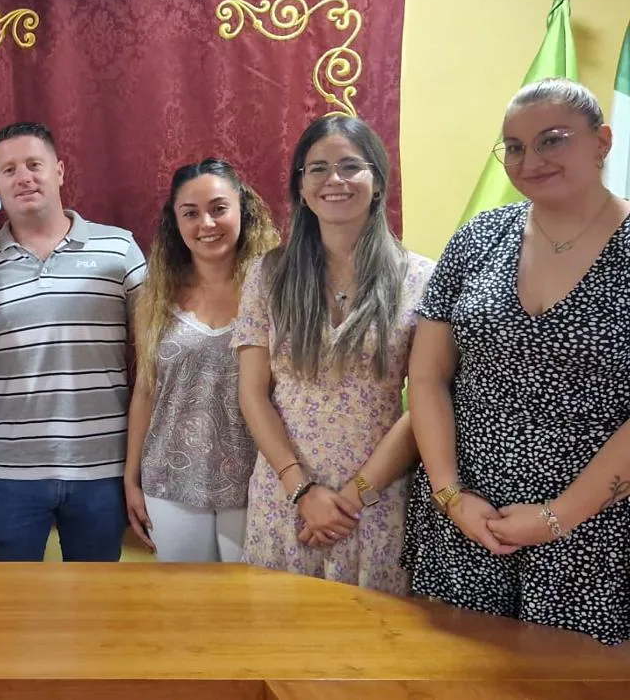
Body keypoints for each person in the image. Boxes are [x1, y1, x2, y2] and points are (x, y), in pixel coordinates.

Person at [402, 78, 630, 645]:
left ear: (602, 141)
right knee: (455, 675)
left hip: (593, 530)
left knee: (567, 681)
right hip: (467, 517)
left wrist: (558, 515)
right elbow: (427, 376)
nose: (530, 160)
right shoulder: (477, 238)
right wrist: (452, 495)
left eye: (552, 140)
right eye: (515, 146)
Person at [233, 115, 433, 594]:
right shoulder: (269, 275)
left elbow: (424, 403)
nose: (334, 180)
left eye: (350, 166)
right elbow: (252, 394)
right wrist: (303, 490)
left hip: (375, 501)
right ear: (301, 188)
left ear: (378, 181)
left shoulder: (421, 279)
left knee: (372, 653)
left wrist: (349, 499)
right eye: (317, 168)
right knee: (277, 646)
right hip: (285, 496)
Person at [0, 122, 147, 562]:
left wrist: (139, 469)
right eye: (9, 170)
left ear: (59, 171)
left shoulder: (120, 250)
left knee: (97, 609)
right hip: (7, 473)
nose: (24, 177)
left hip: (103, 468)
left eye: (34, 165)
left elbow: (157, 361)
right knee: (9, 611)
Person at [124, 159, 279, 562]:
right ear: (175, 223)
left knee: (250, 608)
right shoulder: (154, 295)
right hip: (171, 480)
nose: (206, 223)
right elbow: (145, 389)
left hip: (256, 476)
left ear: (242, 210)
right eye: (190, 213)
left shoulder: (275, 290)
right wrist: (131, 477)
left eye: (218, 208)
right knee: (185, 610)